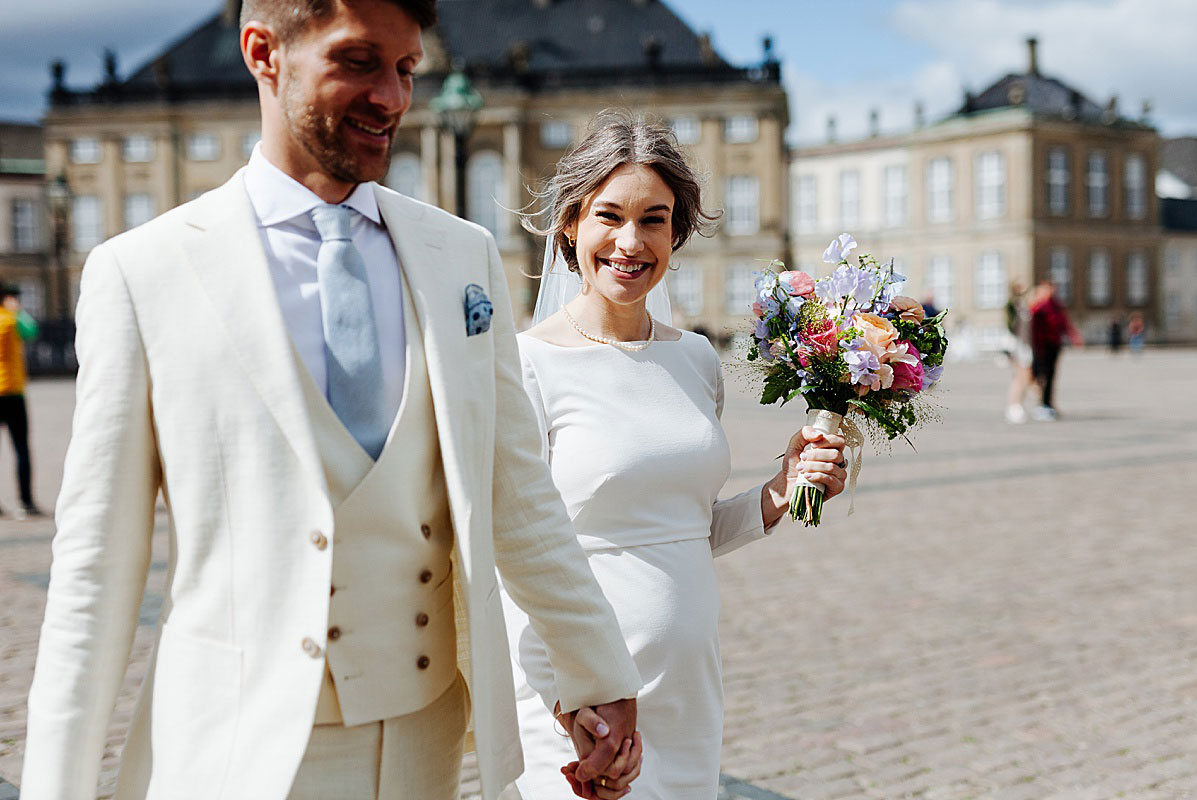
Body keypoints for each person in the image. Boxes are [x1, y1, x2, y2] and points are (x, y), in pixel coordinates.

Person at [21, 2, 644, 799]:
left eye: (408, 69)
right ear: (263, 53)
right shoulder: (143, 274)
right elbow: (93, 574)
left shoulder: (464, 257)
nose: (392, 95)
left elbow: (517, 494)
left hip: (422, 749)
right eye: (358, 61)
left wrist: (597, 670)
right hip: (233, 754)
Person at [503, 113, 849, 800]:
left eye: (654, 219)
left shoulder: (694, 360)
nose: (631, 242)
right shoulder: (526, 365)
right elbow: (510, 556)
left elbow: (683, 529)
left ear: (676, 233)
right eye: (610, 215)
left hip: (689, 687)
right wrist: (574, 703)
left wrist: (779, 492)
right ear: (571, 224)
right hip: (580, 693)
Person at [0, 284, 42, 517]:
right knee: (21, 448)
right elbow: (32, 331)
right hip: (13, 392)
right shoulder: (11, 319)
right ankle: (25, 502)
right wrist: (17, 311)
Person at [1029, 280, 1081, 421]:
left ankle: (1048, 404)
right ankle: (1042, 404)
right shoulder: (1038, 308)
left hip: (1053, 345)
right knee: (1040, 376)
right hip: (1041, 346)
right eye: (1047, 289)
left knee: (1050, 375)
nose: (1051, 291)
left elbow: (1064, 322)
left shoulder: (1056, 305)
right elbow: (1032, 330)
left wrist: (1073, 336)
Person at [1002, 281, 1034, 423]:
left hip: (1025, 345)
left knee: (1026, 377)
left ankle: (1019, 404)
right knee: (1019, 377)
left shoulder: (1025, 304)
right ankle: (1013, 406)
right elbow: (1010, 325)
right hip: (1017, 345)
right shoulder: (1013, 305)